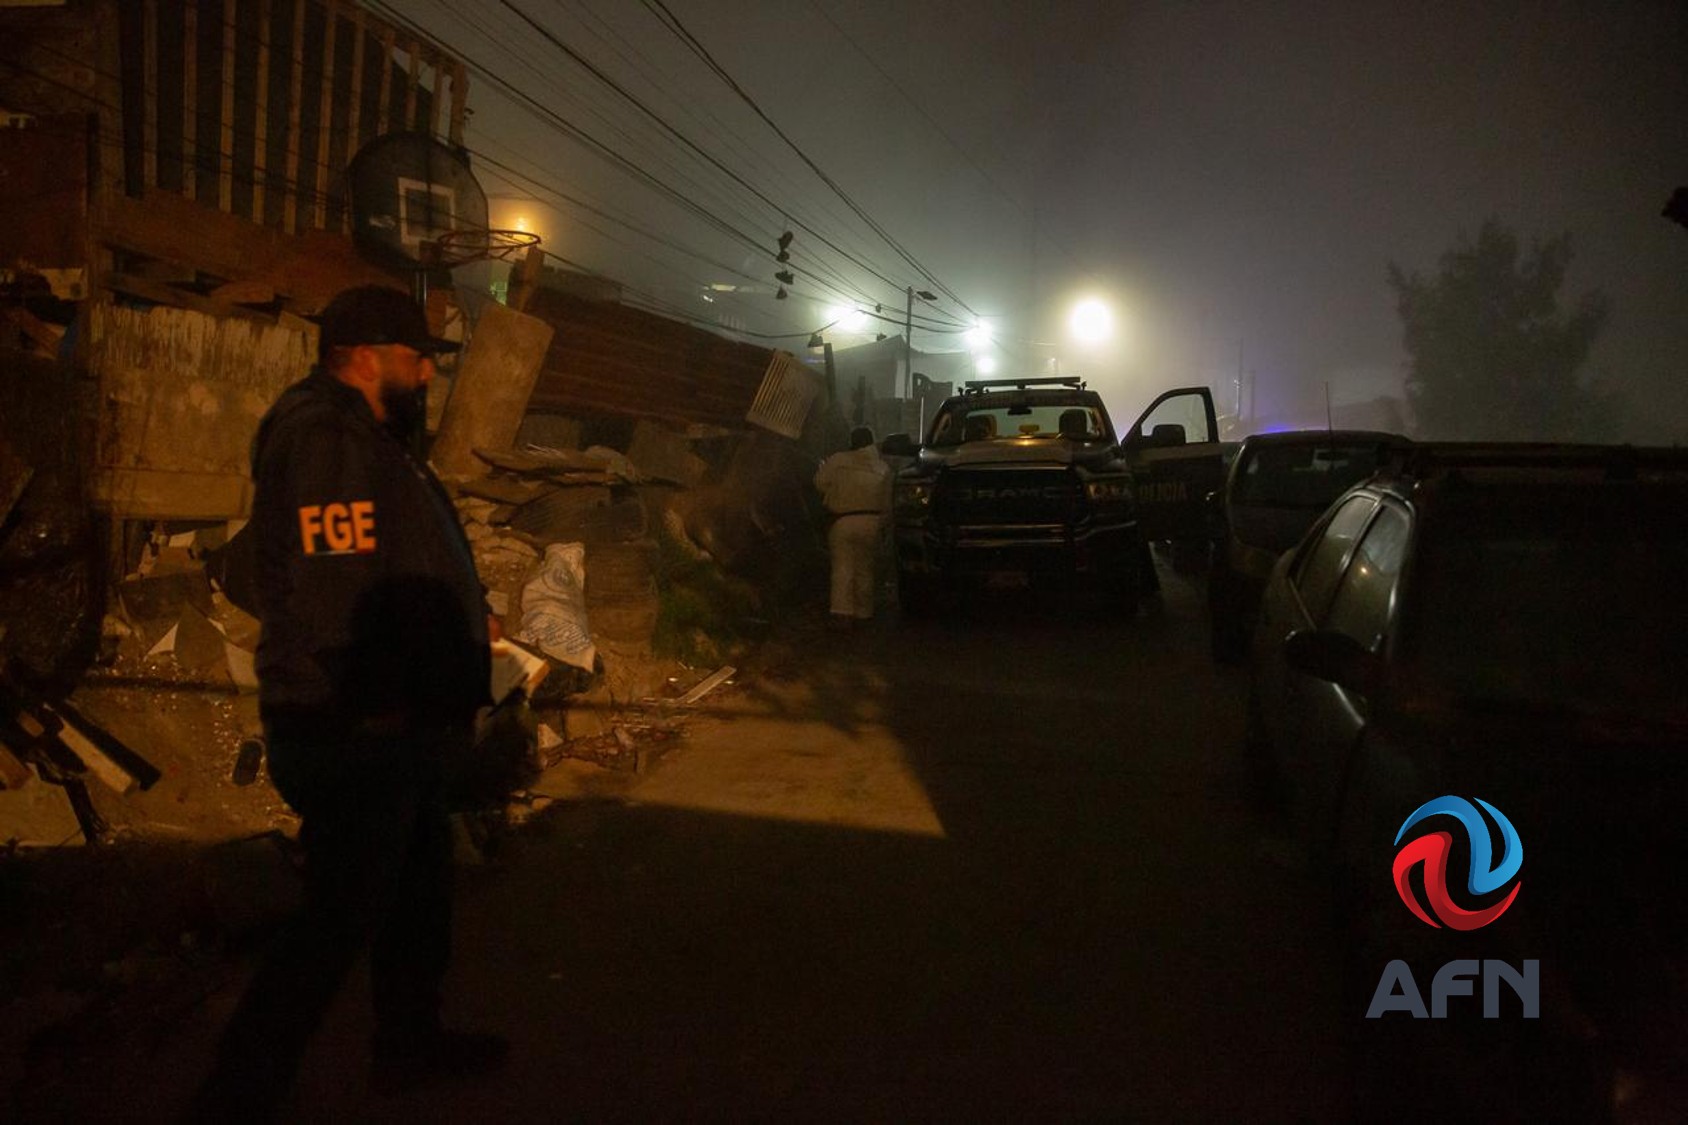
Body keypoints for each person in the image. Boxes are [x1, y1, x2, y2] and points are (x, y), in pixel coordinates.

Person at [191, 286, 506, 1120]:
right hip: (354, 723)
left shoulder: (370, 436)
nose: (429, 373)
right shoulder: (325, 439)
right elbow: (335, 593)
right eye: (417, 357)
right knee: (336, 916)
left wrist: (465, 614)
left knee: (416, 892)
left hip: (392, 720)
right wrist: (379, 705)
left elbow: (393, 555)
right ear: (365, 357)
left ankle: (409, 1043)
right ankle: (237, 1093)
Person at [814, 425, 892, 628]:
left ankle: (842, 614)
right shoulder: (882, 468)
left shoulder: (838, 460)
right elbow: (887, 502)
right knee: (865, 568)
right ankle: (864, 612)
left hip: (843, 521)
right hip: (872, 522)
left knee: (843, 567)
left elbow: (819, 483)